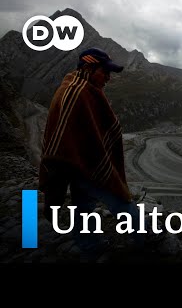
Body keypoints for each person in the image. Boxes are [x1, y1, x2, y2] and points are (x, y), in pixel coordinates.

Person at [39, 47, 147, 257]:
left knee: (83, 206)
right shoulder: (77, 92)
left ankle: (89, 247)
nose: (108, 77)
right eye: (104, 71)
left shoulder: (81, 87)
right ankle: (149, 241)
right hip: (83, 164)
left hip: (80, 163)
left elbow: (89, 131)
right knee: (121, 201)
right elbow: (63, 135)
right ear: (89, 67)